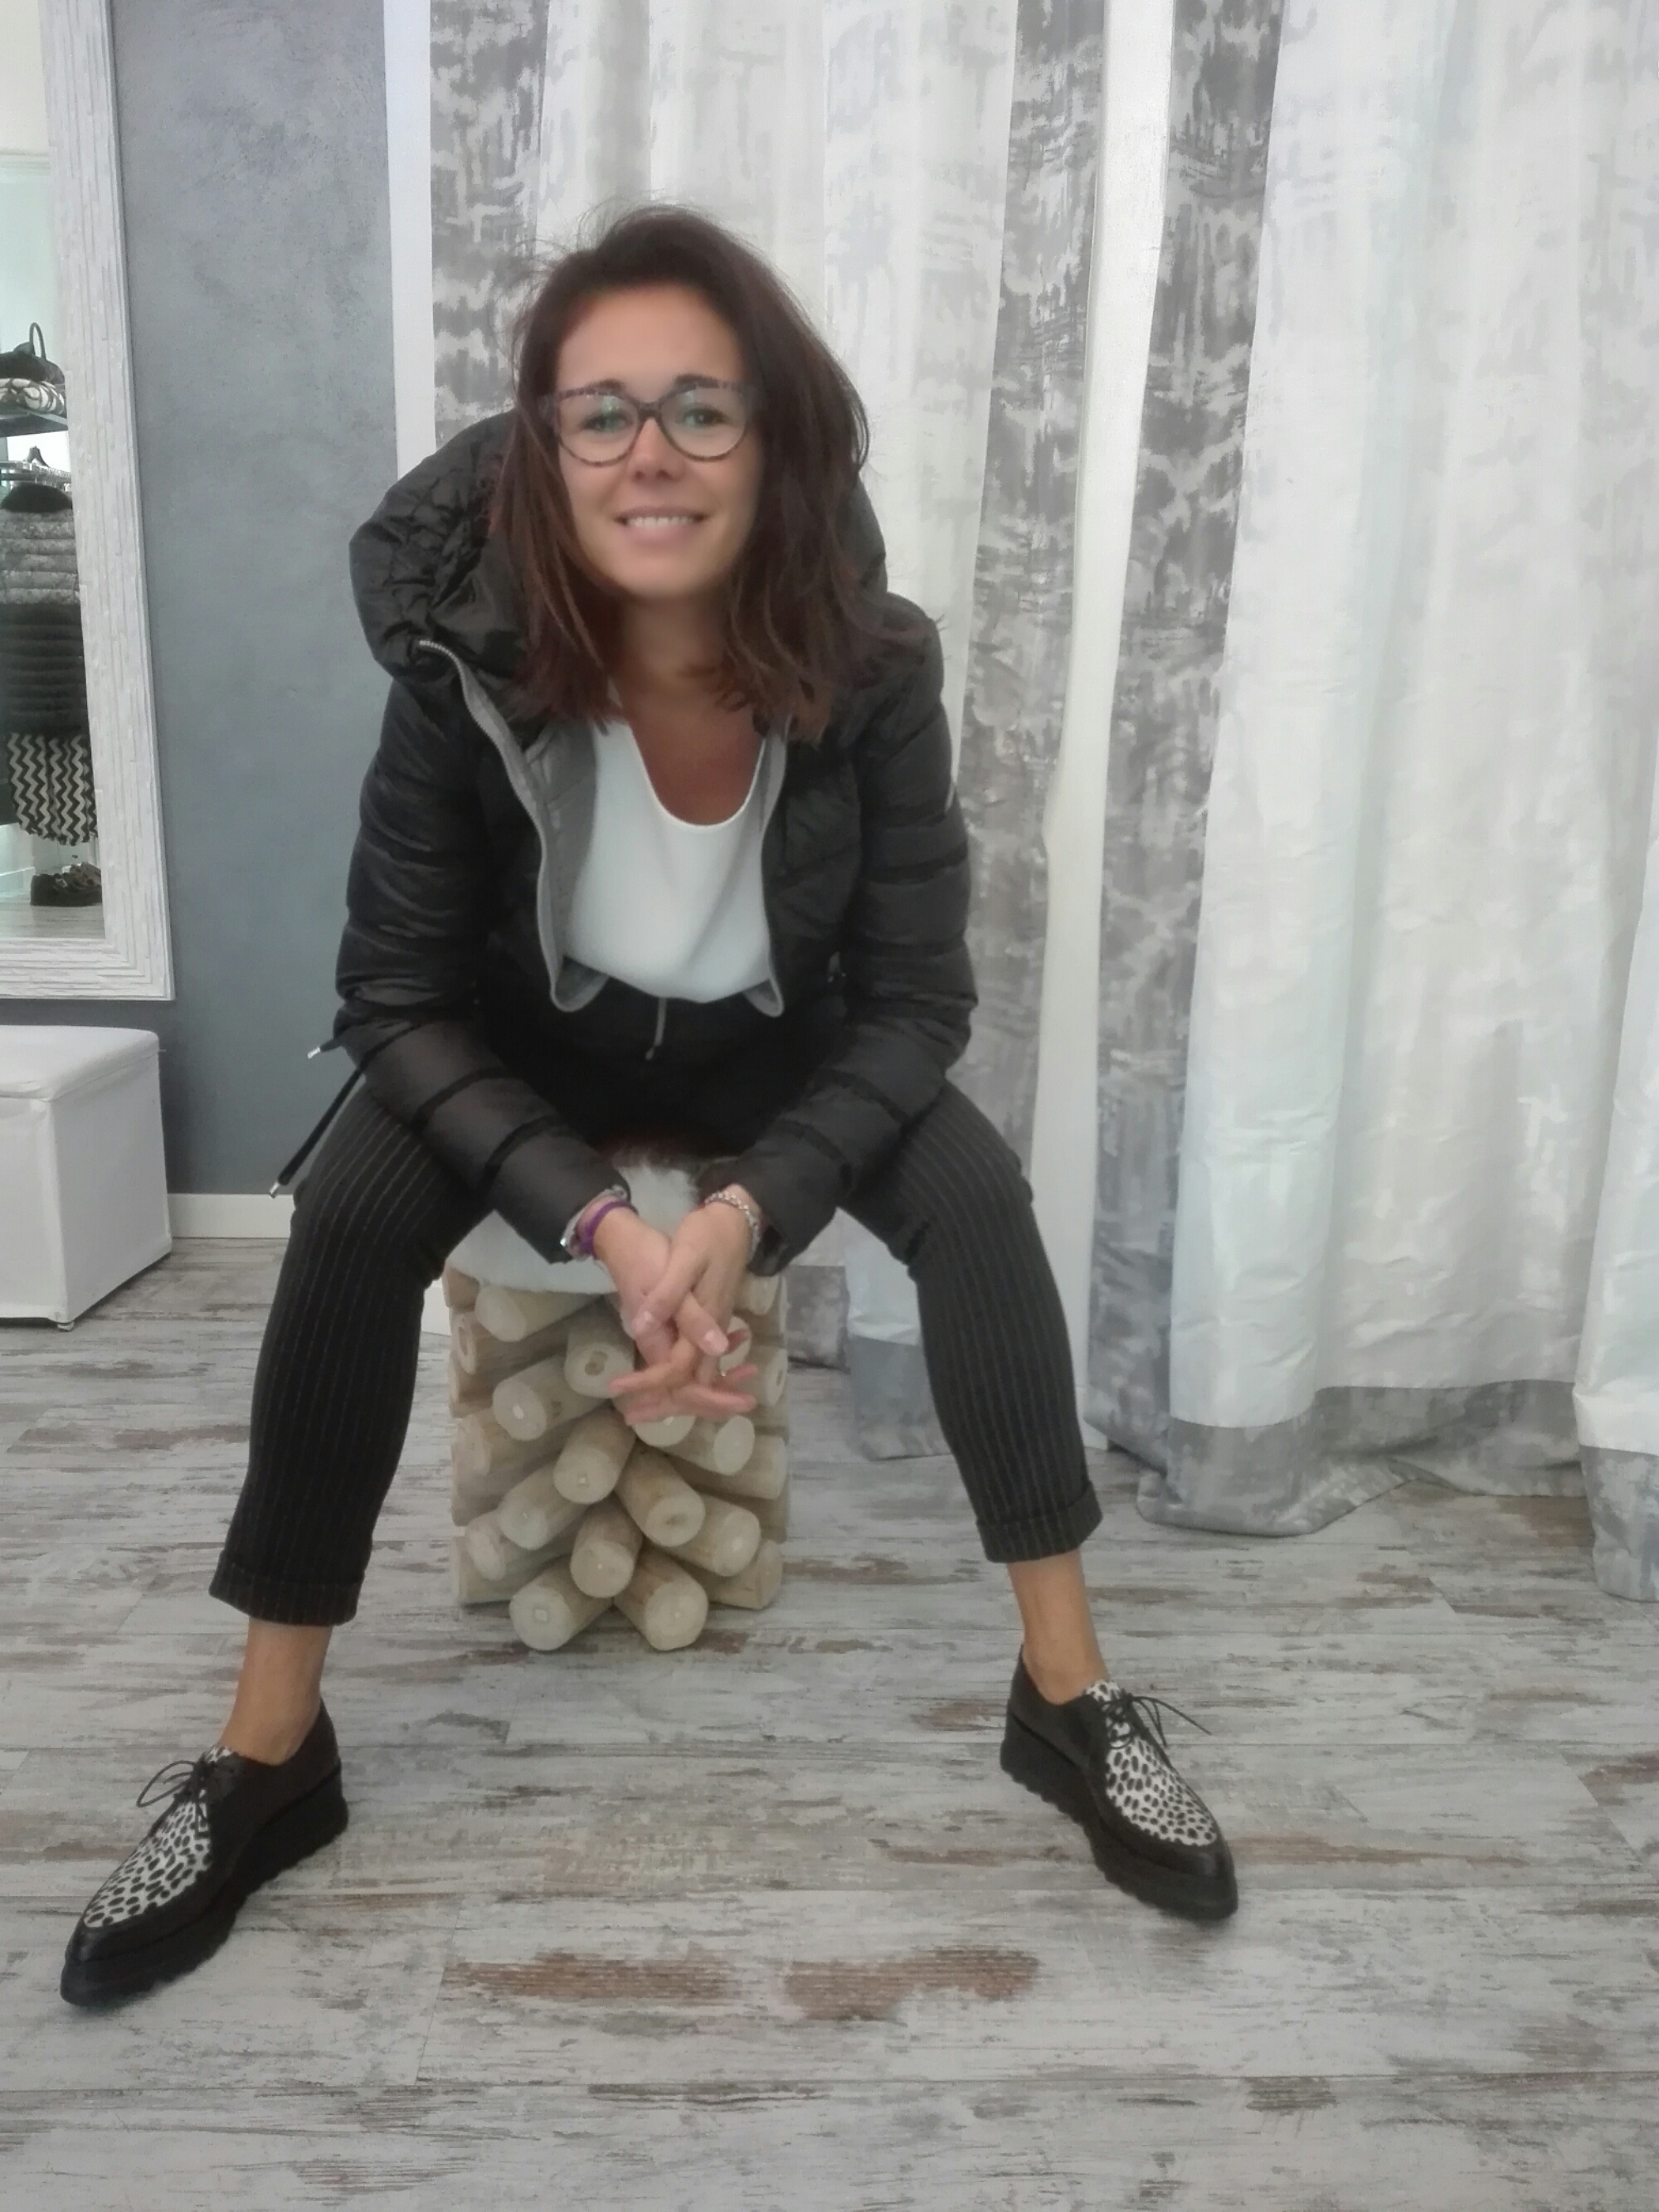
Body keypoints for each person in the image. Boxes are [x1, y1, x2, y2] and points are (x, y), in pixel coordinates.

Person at [60, 206, 1234, 2007]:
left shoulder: (875, 669)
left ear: (774, 436)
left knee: (978, 1197)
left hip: (770, 1048)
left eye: (701, 407)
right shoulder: (459, 664)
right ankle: (267, 1748)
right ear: (543, 447)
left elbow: (916, 1002)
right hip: (532, 1046)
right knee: (350, 1214)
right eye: (598, 413)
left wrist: (746, 1206)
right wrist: (601, 1221)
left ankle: (1068, 1693)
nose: (648, 454)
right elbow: (395, 1000)